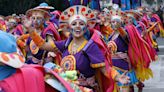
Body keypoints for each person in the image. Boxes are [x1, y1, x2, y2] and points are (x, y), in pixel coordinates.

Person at [25, 5, 130, 92]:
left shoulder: (90, 46)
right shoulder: (65, 44)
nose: (77, 26)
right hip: (66, 88)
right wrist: (30, 29)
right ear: (69, 28)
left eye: (81, 24)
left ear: (86, 27)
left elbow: (104, 68)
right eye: (74, 24)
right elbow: (43, 45)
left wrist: (117, 77)